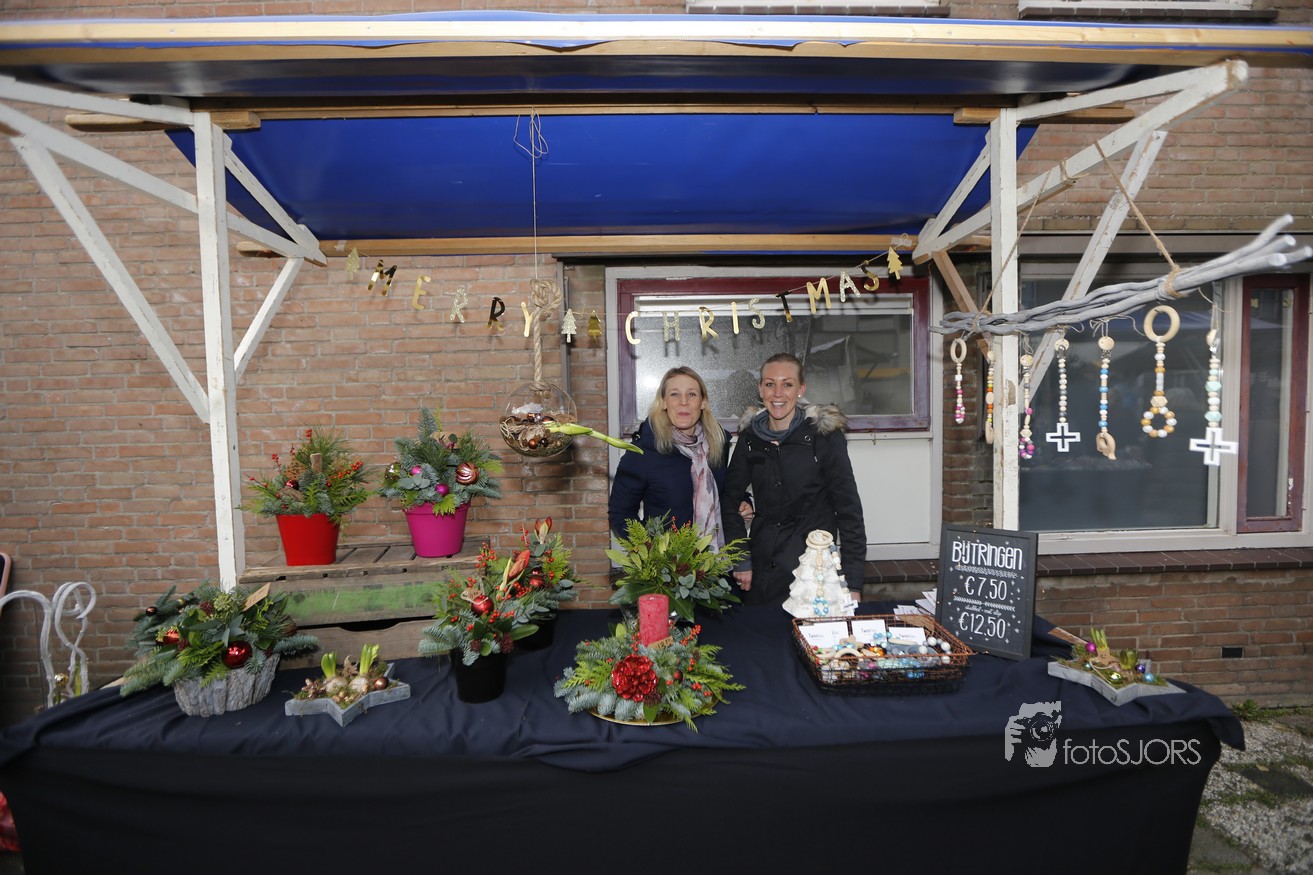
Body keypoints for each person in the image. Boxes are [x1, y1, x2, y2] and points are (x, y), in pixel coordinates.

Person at [721, 352, 867, 606]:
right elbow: (729, 499)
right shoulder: (750, 438)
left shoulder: (824, 437)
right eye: (770, 384)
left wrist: (852, 583)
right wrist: (741, 559)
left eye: (787, 384)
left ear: (801, 389)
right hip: (762, 571)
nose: (778, 393)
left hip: (813, 574)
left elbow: (849, 511)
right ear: (760, 389)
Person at [608, 366, 732, 545]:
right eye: (675, 394)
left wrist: (743, 502)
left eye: (692, 394)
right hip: (667, 561)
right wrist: (651, 549)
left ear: (703, 402)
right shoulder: (642, 452)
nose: (683, 402)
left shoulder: (718, 444)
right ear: (664, 402)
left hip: (717, 559)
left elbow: (725, 491)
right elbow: (620, 513)